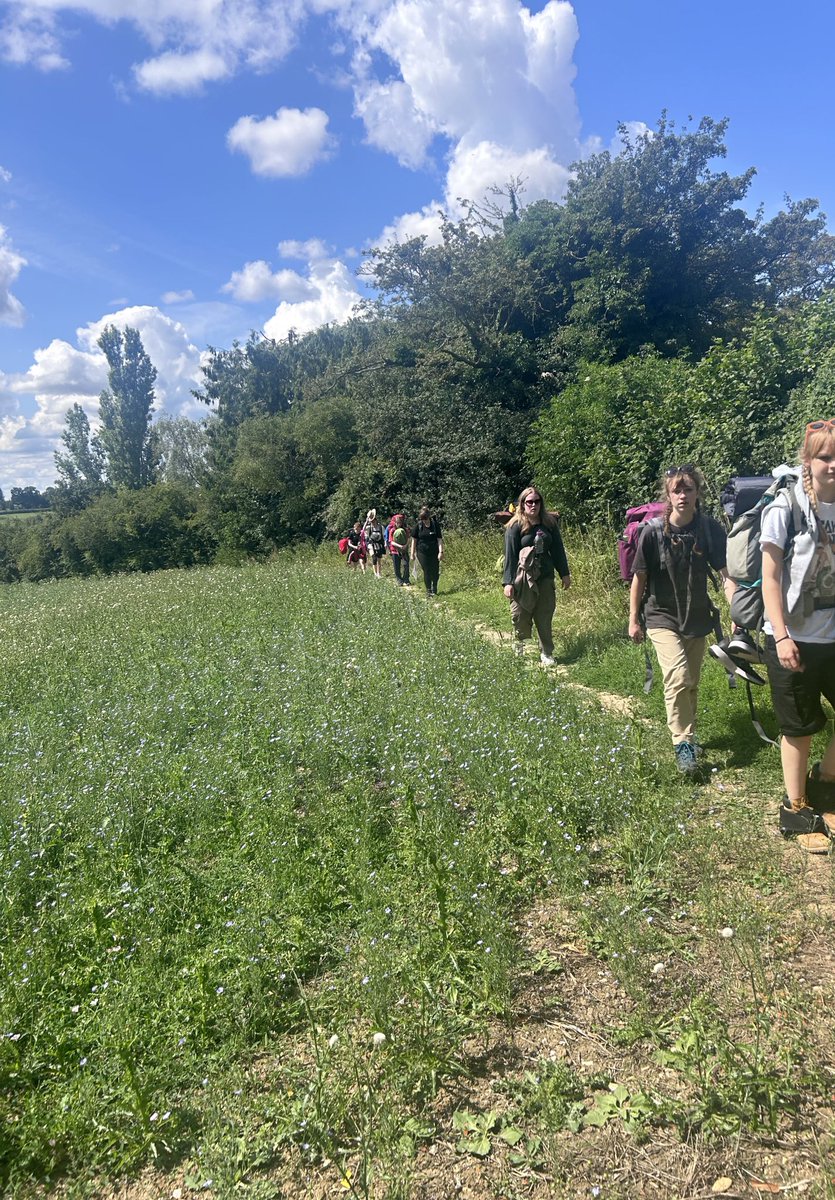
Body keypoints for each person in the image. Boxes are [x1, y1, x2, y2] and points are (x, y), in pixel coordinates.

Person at [629, 465, 735, 776]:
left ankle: (688, 735)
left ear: (697, 493)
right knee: (677, 675)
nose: (682, 495)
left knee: (691, 682)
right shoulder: (652, 533)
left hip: (697, 615)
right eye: (676, 490)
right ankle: (683, 744)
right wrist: (633, 619)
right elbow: (639, 578)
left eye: (688, 489)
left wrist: (737, 613)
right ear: (668, 494)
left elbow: (725, 575)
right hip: (661, 616)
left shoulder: (709, 529)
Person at [761, 420, 835, 839]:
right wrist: (782, 635)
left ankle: (825, 785)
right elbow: (770, 578)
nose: (833, 465)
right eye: (825, 457)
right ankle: (796, 808)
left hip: (834, 635)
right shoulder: (784, 509)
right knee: (800, 727)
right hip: (794, 639)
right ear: (808, 462)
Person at [503, 486, 571, 667]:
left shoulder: (549, 523)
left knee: (544, 614)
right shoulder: (515, 526)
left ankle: (546, 652)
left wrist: (564, 573)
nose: (533, 505)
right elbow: (509, 556)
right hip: (522, 578)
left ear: (541, 503)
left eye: (537, 501)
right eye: (529, 502)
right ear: (522, 504)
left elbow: (558, 549)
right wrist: (507, 582)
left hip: (545, 575)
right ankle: (519, 644)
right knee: (520, 614)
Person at [410, 505, 443, 595]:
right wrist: (412, 553)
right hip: (422, 552)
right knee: (427, 570)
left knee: (435, 570)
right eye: (422, 519)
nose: (424, 520)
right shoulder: (418, 526)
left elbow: (439, 539)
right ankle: (428, 590)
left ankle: (434, 587)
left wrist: (441, 552)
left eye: (425, 518)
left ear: (429, 517)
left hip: (434, 551)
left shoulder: (435, 525)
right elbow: (414, 540)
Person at [363, 508, 386, 579]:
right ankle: (375, 573)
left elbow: (384, 536)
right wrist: (366, 521)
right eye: (371, 521)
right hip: (371, 544)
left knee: (379, 559)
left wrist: (385, 543)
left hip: (379, 544)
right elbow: (363, 530)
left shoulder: (381, 527)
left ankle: (379, 573)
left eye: (373, 520)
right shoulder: (369, 527)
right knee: (374, 557)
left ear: (376, 520)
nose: (372, 522)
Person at [389, 514, 411, 585]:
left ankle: (406, 579)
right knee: (397, 566)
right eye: (397, 522)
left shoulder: (405, 530)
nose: (398, 524)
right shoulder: (392, 530)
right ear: (395, 522)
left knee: (406, 564)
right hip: (395, 550)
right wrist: (399, 546)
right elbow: (391, 541)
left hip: (404, 550)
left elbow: (408, 538)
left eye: (400, 522)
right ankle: (399, 580)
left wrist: (405, 545)